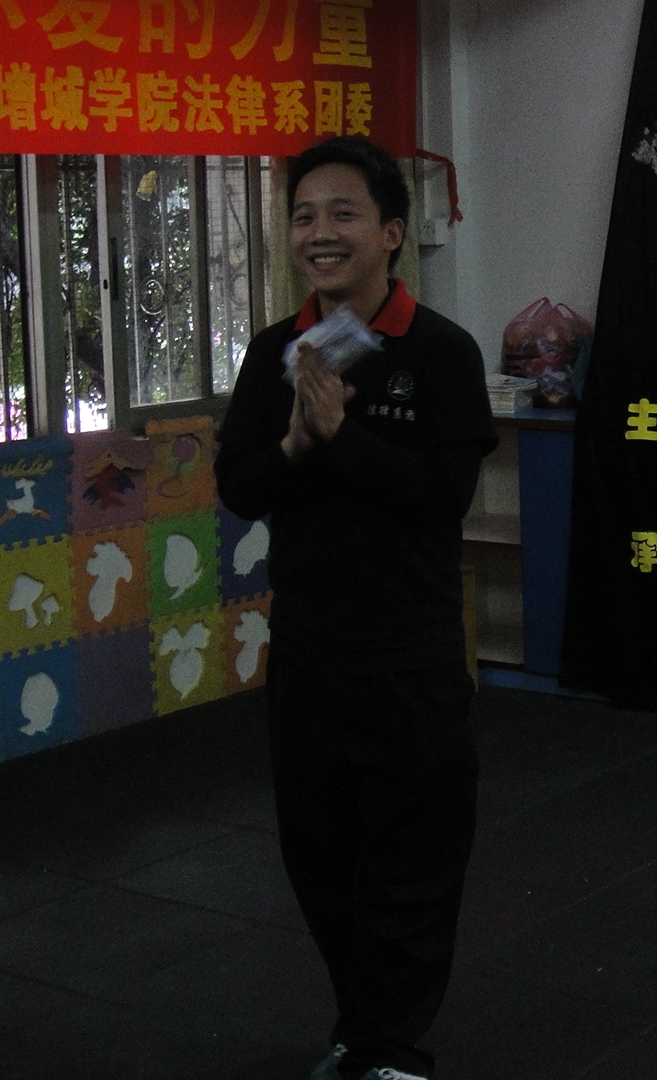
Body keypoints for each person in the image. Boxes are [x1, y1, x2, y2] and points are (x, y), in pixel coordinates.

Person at [214, 135, 496, 1080]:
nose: (320, 233)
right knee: (320, 857)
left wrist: (341, 435)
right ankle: (364, 1026)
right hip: (308, 653)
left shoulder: (441, 352)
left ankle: (391, 1048)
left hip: (410, 656)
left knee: (413, 861)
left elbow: (441, 496)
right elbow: (240, 486)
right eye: (304, 216)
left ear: (392, 233)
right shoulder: (274, 353)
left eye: (343, 214)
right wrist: (296, 445)